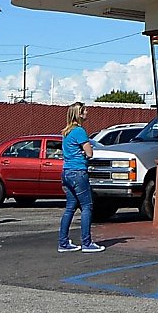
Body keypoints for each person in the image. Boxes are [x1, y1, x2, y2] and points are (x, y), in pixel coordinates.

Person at [59, 102, 104, 253]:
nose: (87, 112)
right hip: (78, 172)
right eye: (84, 111)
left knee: (70, 208)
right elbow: (90, 152)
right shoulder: (79, 131)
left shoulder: (66, 132)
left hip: (66, 172)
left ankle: (63, 242)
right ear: (79, 114)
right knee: (87, 206)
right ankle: (87, 242)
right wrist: (86, 153)